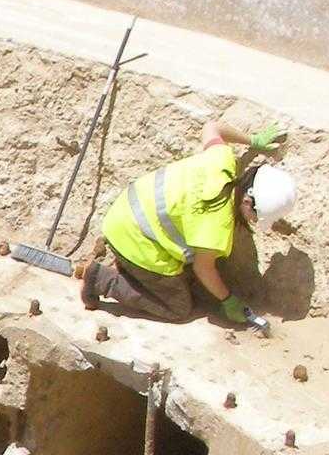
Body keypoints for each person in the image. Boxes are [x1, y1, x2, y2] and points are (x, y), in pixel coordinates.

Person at [81, 120, 295, 328]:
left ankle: (130, 269)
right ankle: (101, 279)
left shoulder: (222, 161)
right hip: (134, 240)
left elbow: (213, 127)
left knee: (183, 278)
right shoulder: (217, 225)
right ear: (247, 202)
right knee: (178, 308)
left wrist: (253, 140)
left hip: (124, 210)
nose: (255, 222)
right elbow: (204, 269)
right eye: (257, 217)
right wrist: (228, 300)